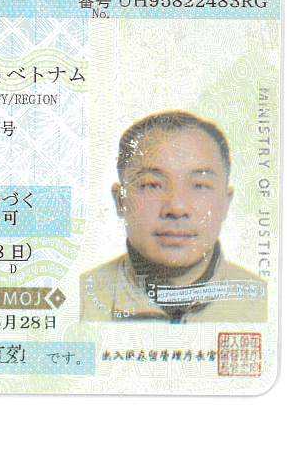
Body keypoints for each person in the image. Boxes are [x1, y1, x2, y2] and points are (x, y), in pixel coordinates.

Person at [79, 112, 267, 324]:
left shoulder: (265, 305)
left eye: (200, 185)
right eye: (152, 185)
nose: (177, 207)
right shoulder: (79, 302)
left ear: (226, 202)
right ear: (120, 200)